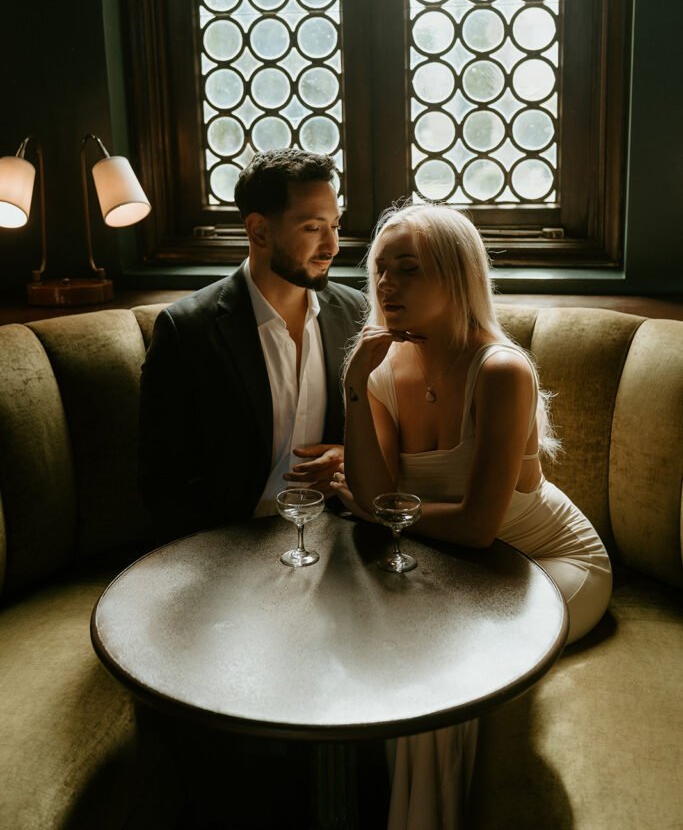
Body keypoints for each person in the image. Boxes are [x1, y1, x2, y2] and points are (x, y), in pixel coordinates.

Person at [335, 202, 613, 830]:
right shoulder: (378, 367)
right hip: (466, 571)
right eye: (379, 270)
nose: (386, 286)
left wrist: (382, 514)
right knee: (413, 666)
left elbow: (474, 526)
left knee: (451, 672)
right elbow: (379, 498)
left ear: (457, 277)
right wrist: (353, 387)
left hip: (554, 563)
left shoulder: (502, 370)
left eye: (407, 270)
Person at [139, 148, 366, 543]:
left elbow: (388, 436)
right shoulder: (187, 330)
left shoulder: (356, 313)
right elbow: (161, 481)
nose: (332, 246)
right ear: (258, 229)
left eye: (336, 226)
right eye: (313, 228)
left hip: (337, 537)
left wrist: (354, 461)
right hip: (228, 546)